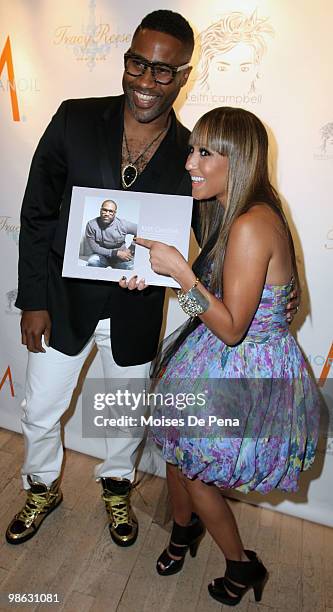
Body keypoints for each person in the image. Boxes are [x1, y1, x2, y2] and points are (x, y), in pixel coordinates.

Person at [6, 10, 196, 547]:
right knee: (40, 407)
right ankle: (41, 487)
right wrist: (33, 300)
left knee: (125, 417)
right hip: (61, 302)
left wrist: (168, 269)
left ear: (183, 76)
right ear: (127, 59)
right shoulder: (74, 118)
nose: (145, 81)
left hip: (137, 310)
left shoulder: (192, 153)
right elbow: (38, 212)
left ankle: (117, 487)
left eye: (163, 71)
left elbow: (199, 236)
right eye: (138, 64)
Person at [134, 107, 320, 606]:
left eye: (204, 152)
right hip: (216, 353)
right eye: (192, 149)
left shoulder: (251, 224)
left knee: (195, 470)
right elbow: (214, 307)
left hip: (244, 367)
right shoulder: (233, 211)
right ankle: (182, 531)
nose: (190, 161)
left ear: (236, 161)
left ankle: (242, 564)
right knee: (176, 447)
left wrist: (179, 273)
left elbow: (233, 328)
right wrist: (155, 274)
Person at [85, 199, 137, 270]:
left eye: (110, 211)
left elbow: (140, 231)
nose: (107, 214)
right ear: (100, 210)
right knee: (92, 262)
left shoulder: (123, 224)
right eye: (104, 210)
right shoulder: (91, 225)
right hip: (101, 256)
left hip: (121, 257)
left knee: (131, 267)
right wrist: (116, 253)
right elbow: (95, 248)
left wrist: (131, 249)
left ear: (115, 213)